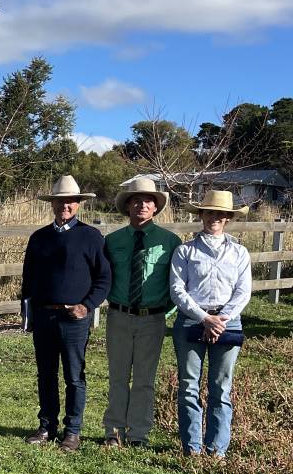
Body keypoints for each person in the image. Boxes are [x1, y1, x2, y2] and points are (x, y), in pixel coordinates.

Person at [21, 175, 111, 452]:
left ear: (78, 204)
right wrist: (28, 314)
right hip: (45, 315)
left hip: (74, 318)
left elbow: (104, 278)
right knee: (46, 374)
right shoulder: (39, 238)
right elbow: (28, 280)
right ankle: (47, 425)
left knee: (74, 375)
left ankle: (72, 430)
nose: (65, 206)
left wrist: (87, 305)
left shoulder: (91, 237)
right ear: (53, 204)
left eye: (70, 201)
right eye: (60, 201)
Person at [169, 190, 252, 457]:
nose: (214, 217)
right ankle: (192, 448)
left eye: (220, 213)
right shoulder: (185, 251)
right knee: (189, 384)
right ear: (201, 215)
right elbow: (178, 290)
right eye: (209, 212)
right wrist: (205, 318)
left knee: (221, 385)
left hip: (228, 322)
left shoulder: (239, 253)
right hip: (192, 320)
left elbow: (243, 291)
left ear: (228, 218)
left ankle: (217, 449)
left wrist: (221, 319)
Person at [101, 177, 182, 448]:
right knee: (118, 377)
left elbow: (177, 283)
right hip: (119, 316)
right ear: (127, 206)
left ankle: (138, 434)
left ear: (156, 207)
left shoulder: (170, 242)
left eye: (148, 200)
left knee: (145, 380)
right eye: (136, 200)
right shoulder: (112, 241)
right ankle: (113, 432)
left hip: (153, 318)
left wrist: (162, 313)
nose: (142, 204)